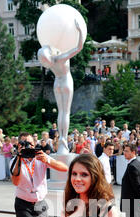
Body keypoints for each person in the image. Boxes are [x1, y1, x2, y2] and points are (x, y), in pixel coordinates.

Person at [38, 20, 84, 154]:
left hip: (56, 83)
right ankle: (63, 137)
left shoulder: (51, 63)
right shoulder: (61, 58)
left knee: (60, 112)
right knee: (66, 112)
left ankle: (63, 137)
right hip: (66, 82)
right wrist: (80, 31)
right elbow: (79, 47)